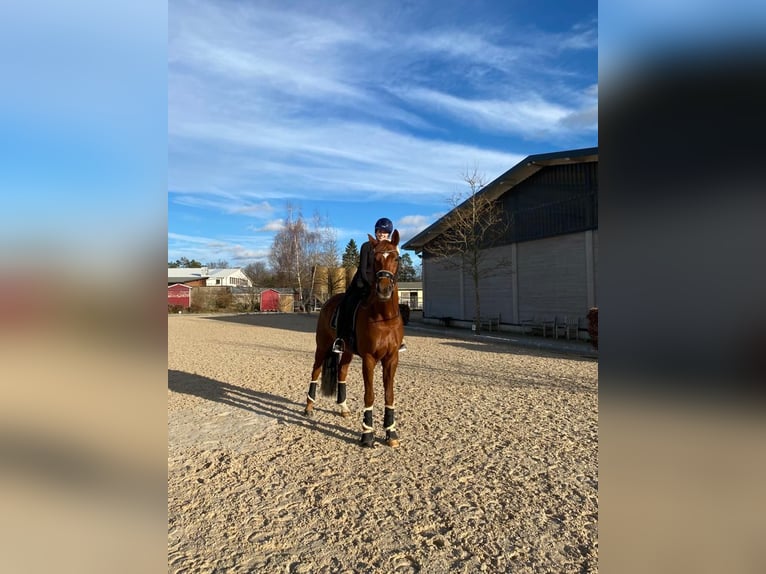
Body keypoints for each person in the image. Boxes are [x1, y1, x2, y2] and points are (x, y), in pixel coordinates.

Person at [332, 217, 408, 354]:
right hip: (363, 282)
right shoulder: (367, 246)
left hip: (384, 283)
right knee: (346, 303)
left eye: (384, 232)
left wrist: (392, 283)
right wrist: (369, 284)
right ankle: (340, 339)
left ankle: (400, 339)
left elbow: (396, 270)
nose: (381, 234)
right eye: (379, 231)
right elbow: (362, 268)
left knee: (395, 305)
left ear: (389, 234)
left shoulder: (393, 248)